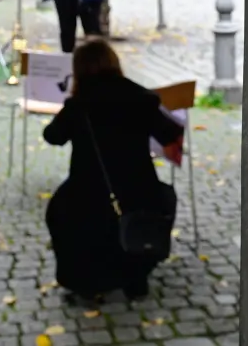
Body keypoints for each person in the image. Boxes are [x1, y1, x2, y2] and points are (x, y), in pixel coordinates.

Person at [44, 38, 182, 300]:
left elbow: (52, 136)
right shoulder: (141, 98)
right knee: (143, 210)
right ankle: (136, 278)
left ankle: (86, 283)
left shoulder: (78, 106)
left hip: (88, 192)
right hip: (140, 189)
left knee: (61, 213)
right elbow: (171, 134)